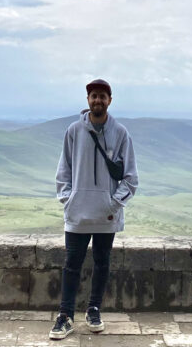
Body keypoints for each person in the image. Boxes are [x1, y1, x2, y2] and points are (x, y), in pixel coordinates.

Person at [49, 78, 138, 339]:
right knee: (71, 264)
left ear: (110, 100)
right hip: (77, 213)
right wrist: (69, 199)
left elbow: (131, 177)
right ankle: (65, 316)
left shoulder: (120, 133)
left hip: (106, 215)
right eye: (94, 96)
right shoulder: (74, 131)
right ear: (88, 100)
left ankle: (94, 309)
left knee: (102, 263)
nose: (98, 100)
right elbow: (63, 170)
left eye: (102, 96)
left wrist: (113, 203)